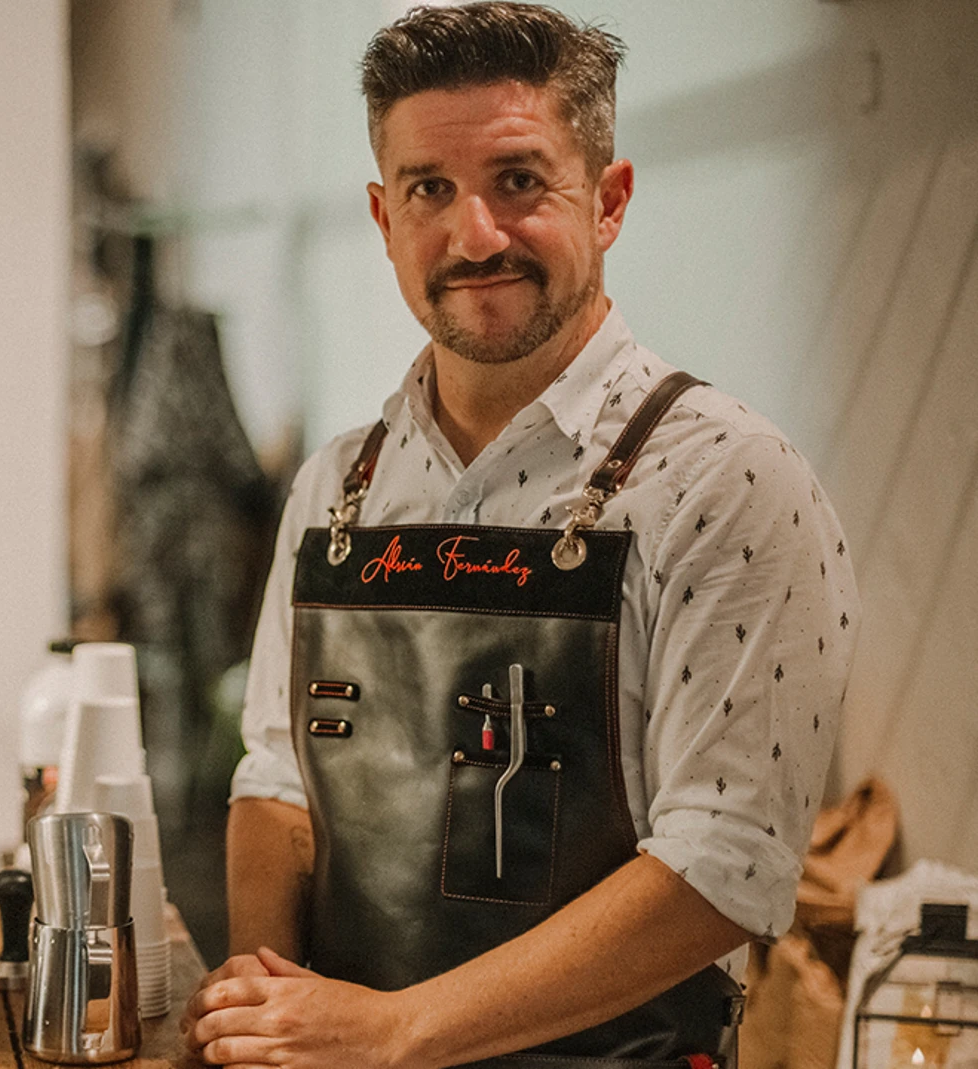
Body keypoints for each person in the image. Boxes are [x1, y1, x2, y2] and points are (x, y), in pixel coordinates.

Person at [180, 5, 859, 1068]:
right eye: (429, 190)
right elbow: (277, 777)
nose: (473, 236)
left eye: (518, 181)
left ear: (610, 199)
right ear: (382, 214)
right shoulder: (337, 486)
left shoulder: (726, 482)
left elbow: (721, 864)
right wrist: (267, 1000)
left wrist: (397, 1029)